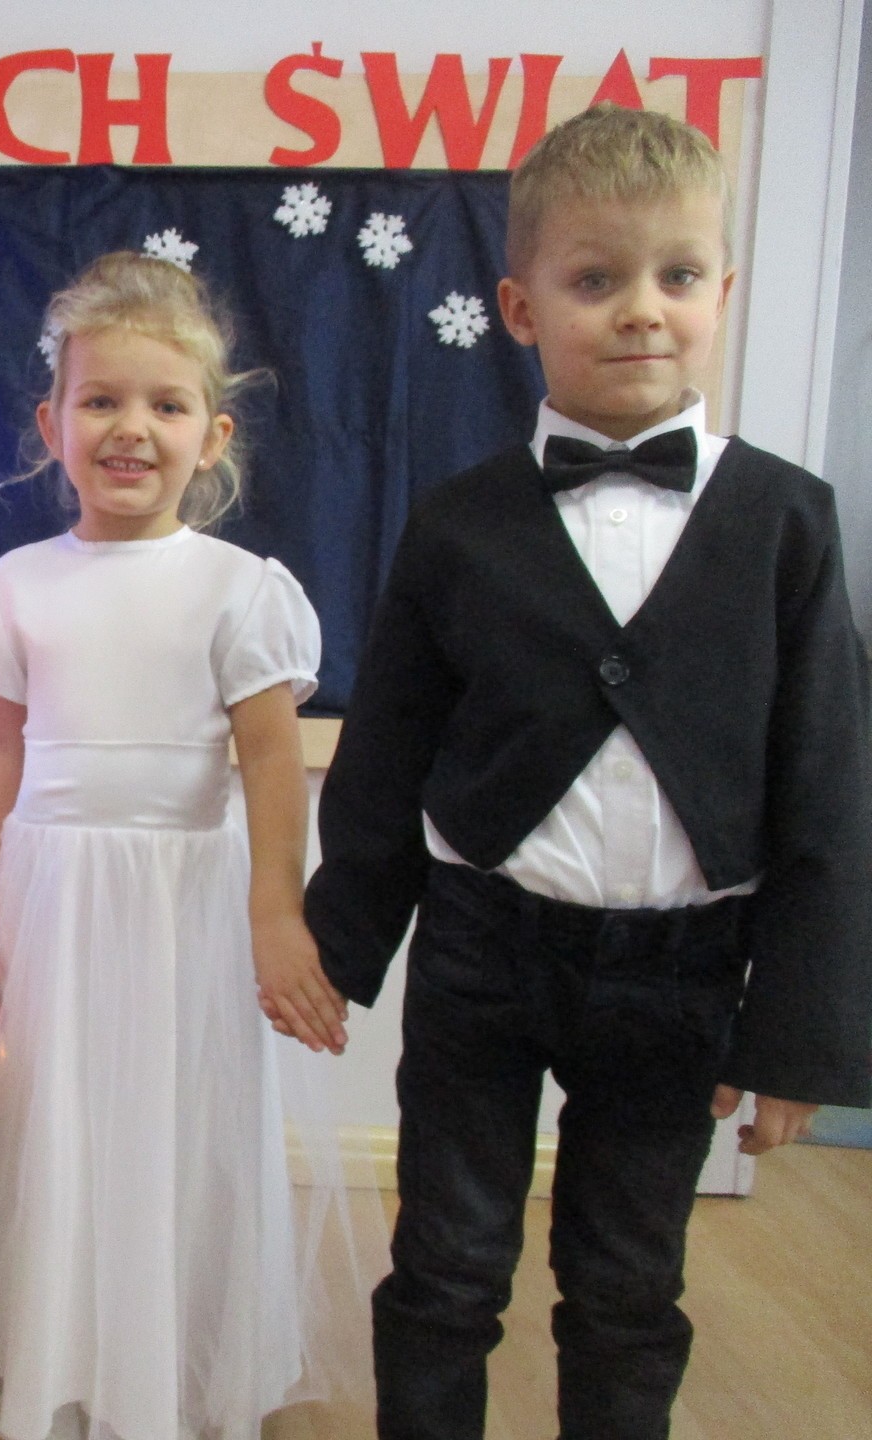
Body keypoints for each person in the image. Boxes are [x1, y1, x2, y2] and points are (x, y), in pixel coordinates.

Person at [305, 104, 872, 1440]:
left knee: (628, 1287)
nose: (641, 310)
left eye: (678, 275)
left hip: (683, 975)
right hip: (483, 958)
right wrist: (339, 947)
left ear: (723, 292)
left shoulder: (790, 522)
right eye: (596, 278)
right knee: (446, 1264)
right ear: (520, 306)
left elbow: (829, 789)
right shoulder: (457, 523)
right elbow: (386, 753)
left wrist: (798, 1034)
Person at [0, 251, 380, 1440]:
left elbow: (271, 764)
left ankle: (178, 1352)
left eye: (166, 404)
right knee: (65, 1117)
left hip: (185, 899)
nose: (131, 429)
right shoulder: (16, 585)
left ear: (213, 435)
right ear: (53, 423)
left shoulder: (240, 591)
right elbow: (3, 748)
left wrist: (275, 911)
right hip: (56, 890)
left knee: (179, 1126)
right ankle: (70, 1344)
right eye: (100, 400)